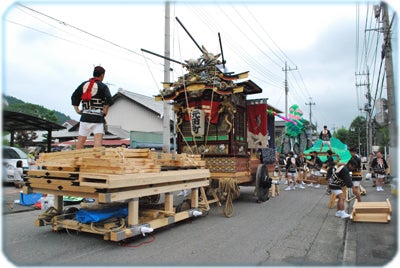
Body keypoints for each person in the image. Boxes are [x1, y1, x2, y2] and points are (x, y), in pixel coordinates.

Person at [71, 66, 113, 149]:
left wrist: (77, 110)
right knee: (97, 141)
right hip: (97, 117)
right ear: (102, 75)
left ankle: (77, 159)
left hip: (85, 116)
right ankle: (97, 159)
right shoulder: (102, 86)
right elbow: (109, 99)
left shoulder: (83, 84)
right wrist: (105, 110)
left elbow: (74, 96)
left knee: (81, 140)